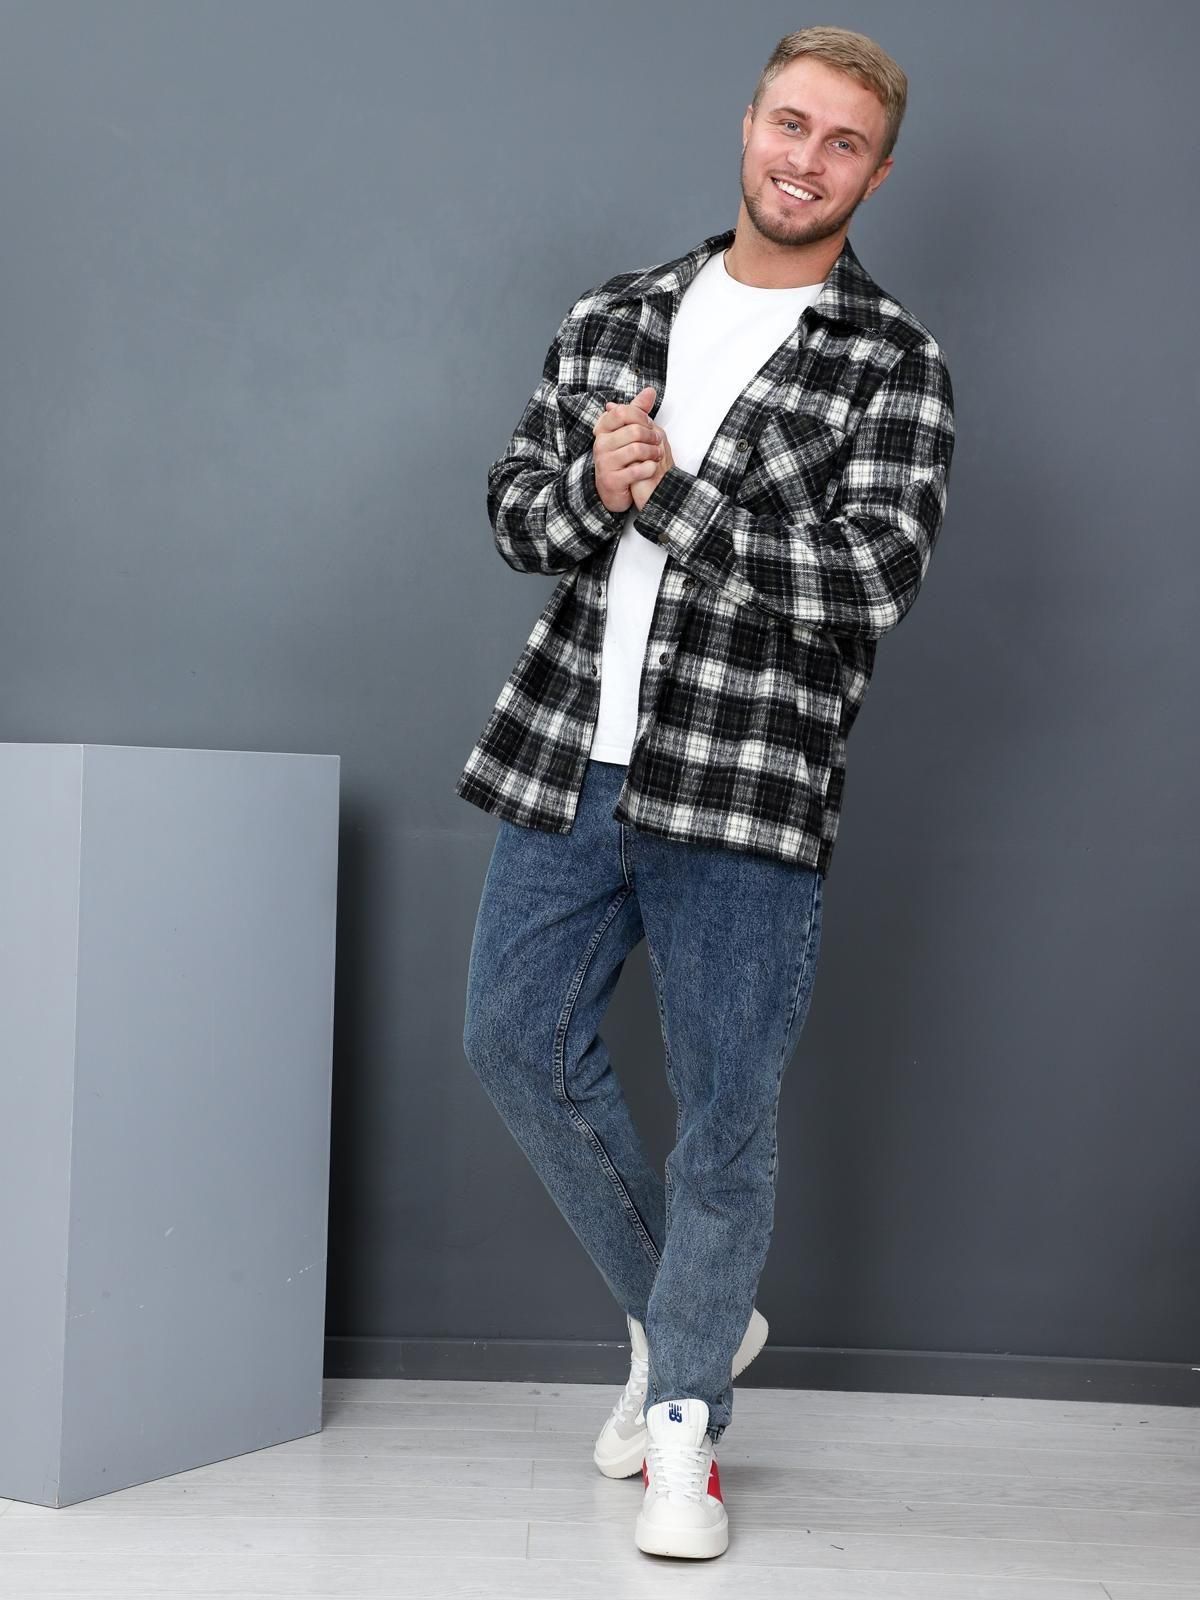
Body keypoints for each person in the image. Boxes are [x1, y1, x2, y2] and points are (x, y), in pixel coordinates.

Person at [458, 24, 955, 1561]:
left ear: (876, 174)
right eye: (790, 124)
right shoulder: (615, 316)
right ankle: (696, 1315)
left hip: (745, 785)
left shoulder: (892, 361)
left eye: (842, 143)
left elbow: (866, 586)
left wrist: (675, 502)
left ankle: (685, 1427)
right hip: (574, 752)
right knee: (513, 1045)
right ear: (747, 125)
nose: (806, 160)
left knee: (726, 1120)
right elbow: (516, 515)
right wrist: (592, 492)